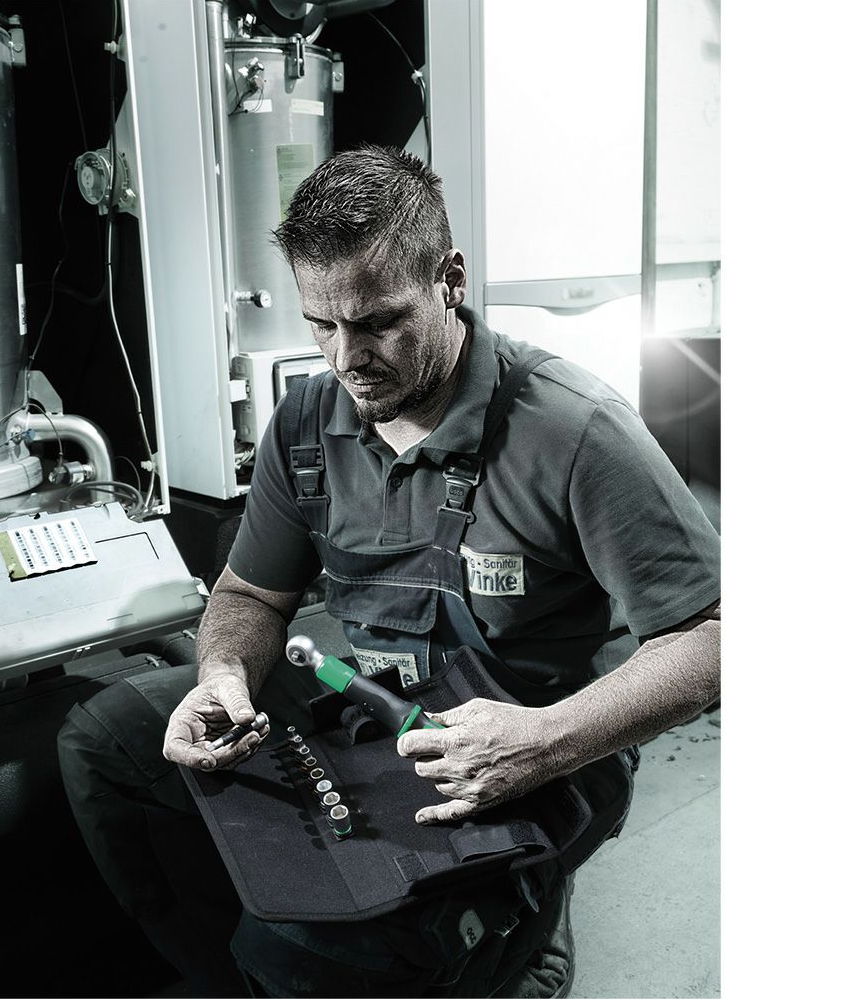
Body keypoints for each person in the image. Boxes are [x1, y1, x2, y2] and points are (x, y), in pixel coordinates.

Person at [58, 145, 720, 998]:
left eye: (376, 322)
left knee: (308, 949)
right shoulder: (307, 421)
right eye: (321, 325)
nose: (345, 357)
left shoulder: (574, 431)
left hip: (539, 743)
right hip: (369, 709)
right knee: (106, 742)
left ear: (450, 279)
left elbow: (711, 637)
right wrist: (222, 674)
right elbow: (252, 593)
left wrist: (542, 742)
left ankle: (515, 939)